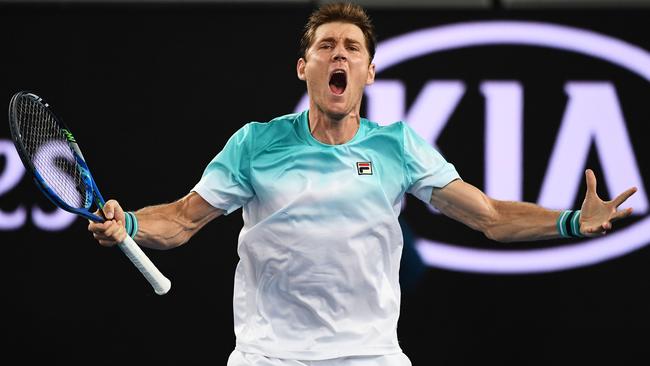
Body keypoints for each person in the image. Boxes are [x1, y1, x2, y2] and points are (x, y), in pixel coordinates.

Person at [88, 2, 638, 365]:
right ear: (304, 67)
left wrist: (570, 221)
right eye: (326, 46)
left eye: (352, 48)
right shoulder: (256, 143)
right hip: (269, 355)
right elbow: (184, 219)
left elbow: (489, 217)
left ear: (369, 72)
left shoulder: (397, 145)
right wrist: (129, 224)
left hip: (370, 354)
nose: (339, 55)